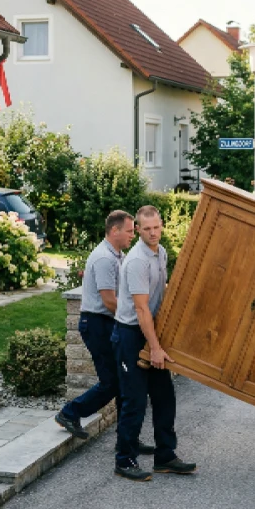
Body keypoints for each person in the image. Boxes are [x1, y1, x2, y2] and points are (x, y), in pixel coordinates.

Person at [54, 211, 152, 455]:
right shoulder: (104, 259)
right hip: (98, 324)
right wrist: (137, 316)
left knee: (123, 382)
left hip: (108, 323)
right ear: (115, 231)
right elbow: (109, 302)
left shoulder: (118, 256)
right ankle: (70, 413)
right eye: (130, 231)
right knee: (113, 382)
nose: (134, 235)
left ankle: (127, 438)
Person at [112, 205, 196, 482]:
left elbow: (162, 292)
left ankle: (165, 456)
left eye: (156, 227)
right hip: (131, 335)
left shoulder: (160, 253)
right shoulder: (137, 261)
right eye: (146, 229)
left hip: (151, 332)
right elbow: (142, 309)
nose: (152, 233)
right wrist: (156, 348)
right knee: (134, 401)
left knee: (164, 398)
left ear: (162, 225)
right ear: (137, 229)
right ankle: (124, 460)